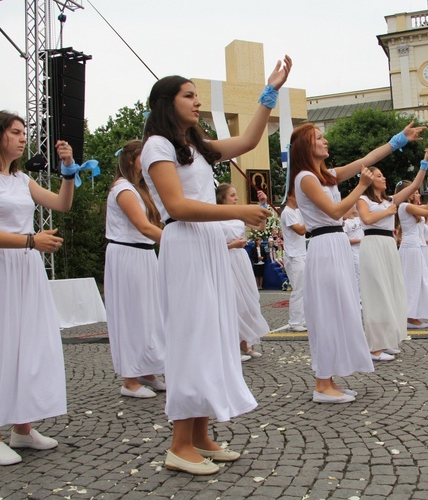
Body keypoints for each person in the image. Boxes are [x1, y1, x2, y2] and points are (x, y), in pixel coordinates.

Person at [141, 57, 289, 475]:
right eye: (189, 95)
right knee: (191, 340)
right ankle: (178, 445)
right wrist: (238, 211)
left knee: (212, 337)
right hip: (185, 245)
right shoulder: (157, 146)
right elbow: (175, 206)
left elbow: (245, 141)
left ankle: (201, 437)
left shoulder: (196, 148)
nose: (197, 101)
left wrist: (270, 91)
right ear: (166, 103)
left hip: (206, 246)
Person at [0, 111, 75, 466]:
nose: (23, 137)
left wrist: (68, 169)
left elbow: (62, 203)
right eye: (16, 132)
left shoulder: (22, 179)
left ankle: (22, 429)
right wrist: (30, 240)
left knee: (29, 344)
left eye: (24, 132)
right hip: (0, 268)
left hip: (27, 267)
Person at [289, 120, 425, 403]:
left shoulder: (325, 175)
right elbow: (336, 210)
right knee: (327, 313)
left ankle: (329, 380)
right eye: (318, 138)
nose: (325, 141)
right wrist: (361, 185)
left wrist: (400, 138)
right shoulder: (305, 178)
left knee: (340, 310)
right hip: (325, 245)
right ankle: (322, 384)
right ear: (306, 146)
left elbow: (367, 159)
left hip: (335, 243)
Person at [105, 140, 166, 399]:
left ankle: (147, 371)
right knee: (131, 315)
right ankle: (129, 380)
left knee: (149, 314)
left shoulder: (141, 189)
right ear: (131, 159)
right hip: (127, 254)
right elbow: (143, 226)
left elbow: (158, 221)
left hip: (144, 255)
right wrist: (175, 243)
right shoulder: (123, 189)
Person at [356, 145, 428, 361]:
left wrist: (425, 160)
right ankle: (373, 347)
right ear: (370, 179)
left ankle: (386, 340)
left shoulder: (391, 200)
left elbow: (415, 184)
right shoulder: (364, 199)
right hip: (372, 243)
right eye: (379, 175)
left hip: (389, 245)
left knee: (391, 291)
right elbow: (366, 219)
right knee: (376, 294)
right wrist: (387, 212)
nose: (383, 178)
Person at [215, 183, 270, 361]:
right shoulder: (214, 217)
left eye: (236, 195)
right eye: (232, 195)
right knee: (232, 303)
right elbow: (211, 245)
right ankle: (232, 349)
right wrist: (232, 245)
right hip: (225, 259)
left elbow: (260, 227)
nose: (236, 198)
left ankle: (245, 344)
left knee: (248, 300)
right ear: (222, 198)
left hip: (241, 260)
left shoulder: (238, 215)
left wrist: (263, 205)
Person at [398, 181, 428, 329]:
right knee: (413, 281)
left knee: (419, 281)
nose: (417, 193)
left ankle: (413, 315)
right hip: (411, 247)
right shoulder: (404, 206)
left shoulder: (410, 207)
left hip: (415, 246)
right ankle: (409, 317)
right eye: (414, 191)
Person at [279, 193, 307, 332]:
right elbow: (300, 230)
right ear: (289, 196)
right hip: (293, 256)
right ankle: (295, 322)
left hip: (301, 253)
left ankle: (302, 319)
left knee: (305, 288)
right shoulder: (287, 213)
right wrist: (313, 220)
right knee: (298, 289)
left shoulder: (297, 211)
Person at [343, 206, 364, 290]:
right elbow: (345, 240)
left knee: (364, 273)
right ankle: (358, 299)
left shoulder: (358, 219)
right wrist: (360, 240)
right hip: (353, 251)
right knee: (357, 273)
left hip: (363, 250)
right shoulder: (345, 223)